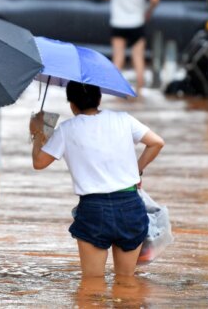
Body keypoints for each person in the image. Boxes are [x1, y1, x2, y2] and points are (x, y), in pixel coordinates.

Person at [29, 82, 165, 278]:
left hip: (94, 210)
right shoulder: (123, 119)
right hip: (130, 206)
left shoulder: (67, 129)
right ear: (99, 99)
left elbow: (39, 162)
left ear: (72, 105)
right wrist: (136, 171)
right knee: (126, 281)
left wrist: (38, 132)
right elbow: (156, 143)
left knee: (92, 285)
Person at [102, 0, 160, 97]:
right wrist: (147, 11)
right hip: (137, 22)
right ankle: (139, 94)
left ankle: (113, 93)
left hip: (118, 21)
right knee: (138, 58)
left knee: (118, 58)